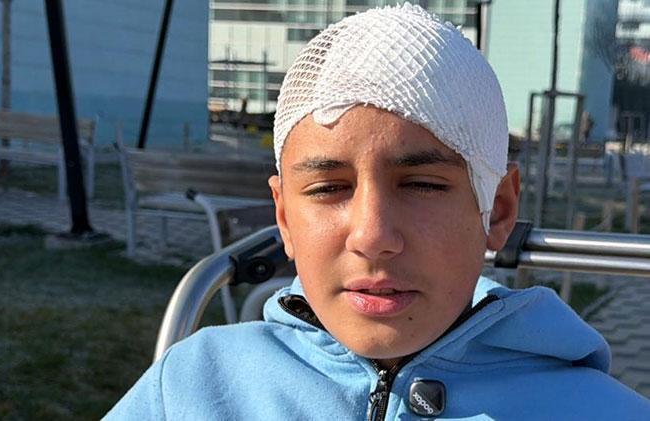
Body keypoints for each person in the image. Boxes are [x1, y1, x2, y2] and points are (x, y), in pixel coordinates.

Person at [105, 4, 650, 419]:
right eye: (327, 188)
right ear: (284, 218)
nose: (372, 235)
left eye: (422, 184)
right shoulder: (190, 388)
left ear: (498, 208)